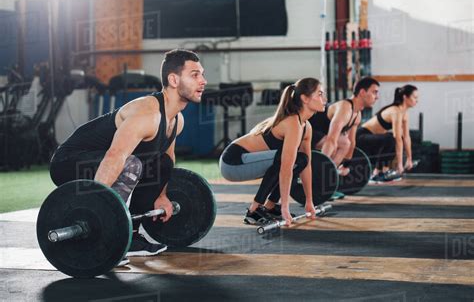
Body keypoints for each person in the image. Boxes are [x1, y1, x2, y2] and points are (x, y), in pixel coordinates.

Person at [49, 49, 207, 258]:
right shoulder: (147, 114)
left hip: (106, 163)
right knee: (131, 164)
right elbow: (115, 156)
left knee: (163, 163)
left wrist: (161, 196)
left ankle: (131, 235)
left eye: (202, 74)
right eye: (195, 75)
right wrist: (96, 211)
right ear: (174, 80)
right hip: (69, 163)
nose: (203, 81)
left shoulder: (176, 120)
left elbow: (166, 159)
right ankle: (114, 234)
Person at [219, 78, 326, 226]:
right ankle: (253, 211)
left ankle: (268, 207)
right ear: (305, 99)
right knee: (287, 161)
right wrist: (285, 208)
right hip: (232, 162)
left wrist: (309, 201)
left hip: (246, 161)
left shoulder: (306, 126)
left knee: (302, 160)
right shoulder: (292, 123)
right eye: (320, 94)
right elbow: (286, 168)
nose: (324, 98)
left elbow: (305, 165)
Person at [308, 77, 380, 177]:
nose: (377, 97)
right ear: (363, 92)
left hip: (320, 136)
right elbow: (331, 140)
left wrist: (346, 165)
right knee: (340, 144)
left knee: (346, 143)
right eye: (374, 92)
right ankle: (319, 173)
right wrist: (320, 167)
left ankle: (329, 174)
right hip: (306, 131)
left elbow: (352, 142)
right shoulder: (345, 108)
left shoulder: (357, 115)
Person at [356, 84, 419, 183]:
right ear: (405, 97)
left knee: (393, 139)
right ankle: (377, 173)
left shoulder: (404, 114)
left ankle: (384, 170)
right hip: (360, 137)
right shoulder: (396, 111)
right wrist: (399, 165)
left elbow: (406, 137)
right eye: (415, 97)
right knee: (391, 138)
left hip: (372, 139)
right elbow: (397, 138)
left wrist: (409, 159)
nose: (417, 100)